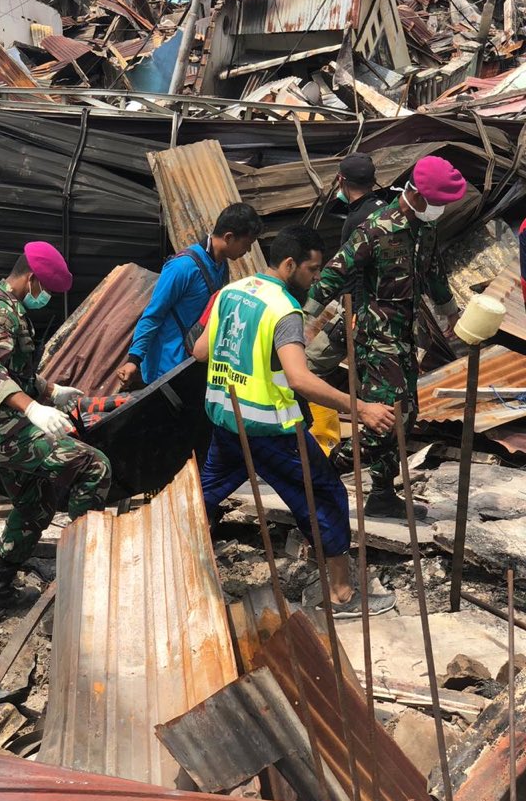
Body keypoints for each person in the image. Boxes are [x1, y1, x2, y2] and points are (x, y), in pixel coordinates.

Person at [194, 226, 396, 618]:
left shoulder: (230, 292)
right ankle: (341, 595)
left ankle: (173, 565)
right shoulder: (284, 309)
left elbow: (201, 351)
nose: (316, 278)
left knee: (204, 496)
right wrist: (362, 408)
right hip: (271, 429)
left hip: (226, 419)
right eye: (312, 269)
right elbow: (300, 379)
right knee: (326, 496)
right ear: (290, 264)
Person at [305, 156, 465, 519]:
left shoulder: (426, 228)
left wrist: (451, 312)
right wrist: (305, 317)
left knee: (406, 419)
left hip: (406, 337)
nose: (440, 210)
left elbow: (434, 272)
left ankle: (381, 493)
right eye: (437, 203)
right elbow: (334, 272)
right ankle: (321, 474)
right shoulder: (376, 228)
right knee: (385, 422)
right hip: (375, 340)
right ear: (417, 196)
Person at [0, 242, 111, 616]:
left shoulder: (8, 309)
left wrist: (51, 391)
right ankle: (85, 572)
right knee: (93, 465)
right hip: (2, 430)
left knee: (36, 504)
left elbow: (18, 372)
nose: (45, 297)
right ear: (31, 279)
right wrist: (33, 410)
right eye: (45, 289)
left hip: (4, 428)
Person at [117, 203, 262, 390]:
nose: (248, 251)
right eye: (247, 244)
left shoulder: (221, 266)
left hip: (193, 364)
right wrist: (133, 360)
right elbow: (153, 314)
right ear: (229, 237)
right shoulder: (183, 267)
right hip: (166, 370)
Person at [307, 152, 388, 378]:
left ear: (340, 179)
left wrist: (306, 309)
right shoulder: (386, 210)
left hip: (358, 311)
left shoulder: (357, 220)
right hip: (386, 309)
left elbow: (341, 269)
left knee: (309, 365)